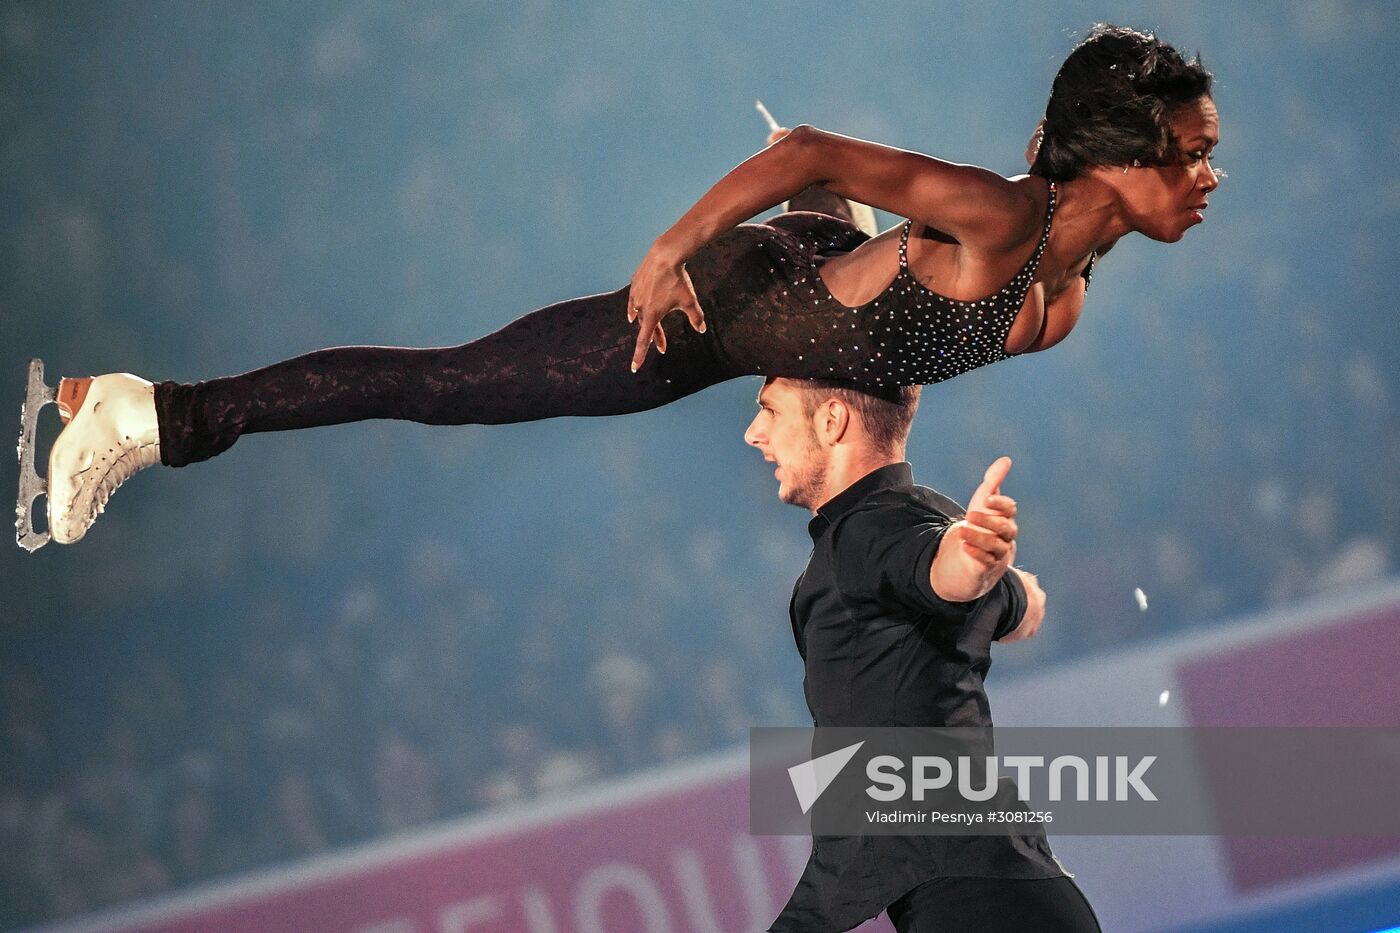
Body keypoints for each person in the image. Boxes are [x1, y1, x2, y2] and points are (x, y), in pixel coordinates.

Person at [29, 24, 1218, 547]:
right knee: (450, 389)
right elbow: (806, 149)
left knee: (822, 243)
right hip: (726, 304)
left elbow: (892, 327)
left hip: (808, 279)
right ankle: (155, 414)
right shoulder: (1004, 220)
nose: (1206, 175)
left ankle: (814, 243)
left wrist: (848, 283)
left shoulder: (1057, 304)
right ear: (1120, 147)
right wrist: (666, 254)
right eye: (1190, 150)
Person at [743, 375, 1099, 933]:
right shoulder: (921, 514)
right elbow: (1014, 600)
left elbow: (945, 571)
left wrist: (971, 567)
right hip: (1013, 895)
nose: (753, 433)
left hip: (981, 909)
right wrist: (996, 576)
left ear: (831, 421)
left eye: (770, 411)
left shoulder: (870, 531)